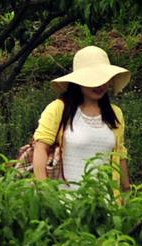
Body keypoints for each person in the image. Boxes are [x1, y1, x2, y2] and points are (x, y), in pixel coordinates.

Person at [30, 46, 130, 191]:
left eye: (104, 79)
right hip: (65, 202)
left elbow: (119, 156)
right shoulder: (59, 109)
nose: (100, 85)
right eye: (93, 80)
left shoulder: (115, 113)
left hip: (103, 203)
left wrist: (126, 191)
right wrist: (45, 191)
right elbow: (41, 147)